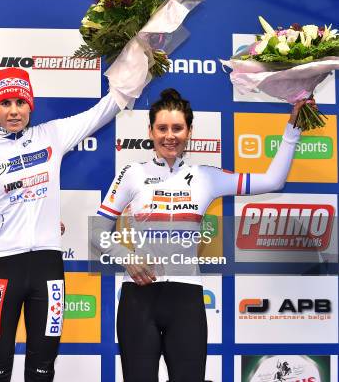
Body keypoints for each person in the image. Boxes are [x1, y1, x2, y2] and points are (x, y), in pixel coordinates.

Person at [95, 88, 304, 382]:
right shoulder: (132, 173)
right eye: (162, 128)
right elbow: (98, 232)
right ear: (150, 131)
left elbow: (274, 180)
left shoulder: (207, 176)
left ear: (189, 131)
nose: (170, 136)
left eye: (177, 128)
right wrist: (126, 258)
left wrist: (293, 127)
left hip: (186, 299)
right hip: (139, 298)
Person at [0, 67, 122, 381]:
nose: (14, 110)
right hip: (0, 270)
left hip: (48, 269)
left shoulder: (52, 135)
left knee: (43, 367)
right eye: (5, 103)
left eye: (20, 102)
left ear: (30, 105)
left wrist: (140, 57)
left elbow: (105, 109)